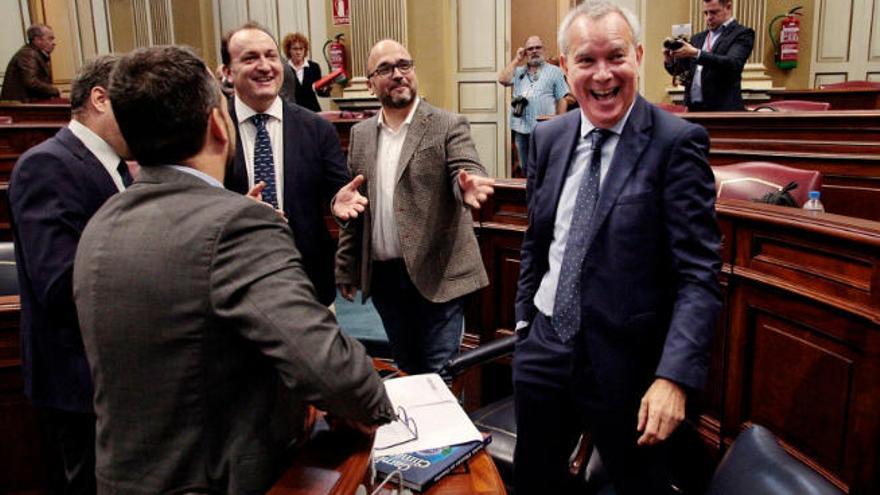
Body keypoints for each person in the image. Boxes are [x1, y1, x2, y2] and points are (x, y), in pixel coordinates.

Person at [73, 45, 394, 495]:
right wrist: (376, 406)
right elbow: (330, 370)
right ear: (218, 124)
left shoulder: (102, 222)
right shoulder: (237, 223)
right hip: (221, 481)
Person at [513, 2, 722, 493]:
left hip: (627, 366)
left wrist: (673, 377)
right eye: (586, 60)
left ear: (639, 56)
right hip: (545, 346)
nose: (603, 74)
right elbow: (538, 241)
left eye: (616, 57)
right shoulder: (548, 137)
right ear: (566, 68)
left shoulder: (677, 142)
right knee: (534, 481)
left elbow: (698, 275)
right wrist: (525, 322)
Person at [9, 54, 131, 495]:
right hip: (76, 382)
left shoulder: (116, 168)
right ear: (100, 98)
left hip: (112, 380)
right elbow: (59, 284)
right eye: (132, 100)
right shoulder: (48, 164)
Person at [335, 39, 495, 375]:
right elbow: (356, 209)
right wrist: (347, 267)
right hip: (386, 279)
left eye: (404, 65)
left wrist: (466, 185)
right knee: (407, 368)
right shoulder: (361, 135)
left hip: (437, 273)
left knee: (440, 372)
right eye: (386, 69)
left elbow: (464, 169)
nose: (398, 74)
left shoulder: (447, 124)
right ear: (371, 82)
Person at [222, 22, 357, 306]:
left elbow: (337, 191)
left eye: (271, 56)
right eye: (250, 58)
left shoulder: (316, 128)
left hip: (308, 284)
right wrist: (237, 213)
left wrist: (338, 204)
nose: (265, 66)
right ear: (227, 71)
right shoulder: (213, 130)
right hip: (234, 285)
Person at [663, 0, 754, 111]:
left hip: (723, 111)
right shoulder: (698, 38)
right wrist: (669, 59)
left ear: (728, 7)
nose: (708, 18)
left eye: (713, 12)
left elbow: (733, 63)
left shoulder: (742, 33)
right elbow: (682, 72)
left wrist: (696, 53)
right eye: (705, 13)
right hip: (693, 109)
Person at [498, 35, 569, 177]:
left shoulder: (554, 72)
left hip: (545, 128)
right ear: (525, 52)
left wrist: (560, 122)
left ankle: (544, 197)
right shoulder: (518, 72)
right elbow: (502, 79)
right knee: (526, 169)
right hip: (521, 128)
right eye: (530, 49)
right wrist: (517, 59)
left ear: (543, 49)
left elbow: (562, 98)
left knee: (546, 167)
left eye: (538, 47)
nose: (534, 51)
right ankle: (529, 196)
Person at [1, 24, 61, 101]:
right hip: (21, 107)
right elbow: (31, 82)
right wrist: (55, 90)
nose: (54, 43)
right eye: (50, 39)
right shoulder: (28, 54)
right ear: (37, 40)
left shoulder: (35, 53)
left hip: (27, 104)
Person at [280, 32, 325, 112]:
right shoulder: (283, 68)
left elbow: (320, 92)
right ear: (289, 50)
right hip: (293, 111)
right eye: (295, 49)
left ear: (305, 49)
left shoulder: (313, 67)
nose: (298, 52)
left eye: (301, 48)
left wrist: (326, 88)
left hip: (313, 111)